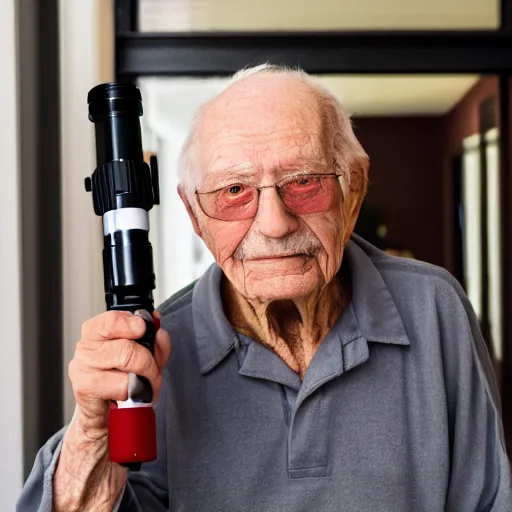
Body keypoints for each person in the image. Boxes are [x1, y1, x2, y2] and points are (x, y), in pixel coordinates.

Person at [18, 64, 511, 511]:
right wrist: (89, 436)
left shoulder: (433, 309)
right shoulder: (158, 351)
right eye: (234, 191)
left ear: (354, 189)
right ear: (195, 214)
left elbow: (490, 499)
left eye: (303, 180)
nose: (273, 224)